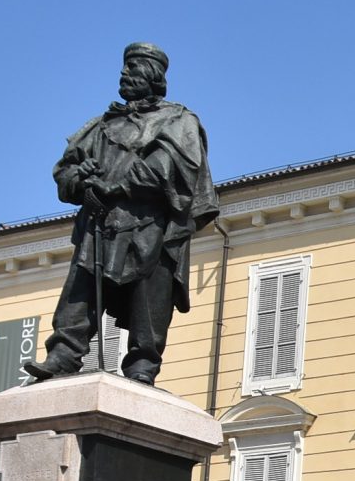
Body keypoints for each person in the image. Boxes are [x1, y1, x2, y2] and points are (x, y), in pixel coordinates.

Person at [26, 42, 218, 385]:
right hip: (100, 222)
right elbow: (65, 171)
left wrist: (114, 185)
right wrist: (81, 181)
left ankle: (143, 363)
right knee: (81, 288)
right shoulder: (100, 126)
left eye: (133, 68)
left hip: (150, 224)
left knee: (149, 295)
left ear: (153, 75)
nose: (124, 74)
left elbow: (168, 168)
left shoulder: (178, 121)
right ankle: (64, 354)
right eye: (124, 68)